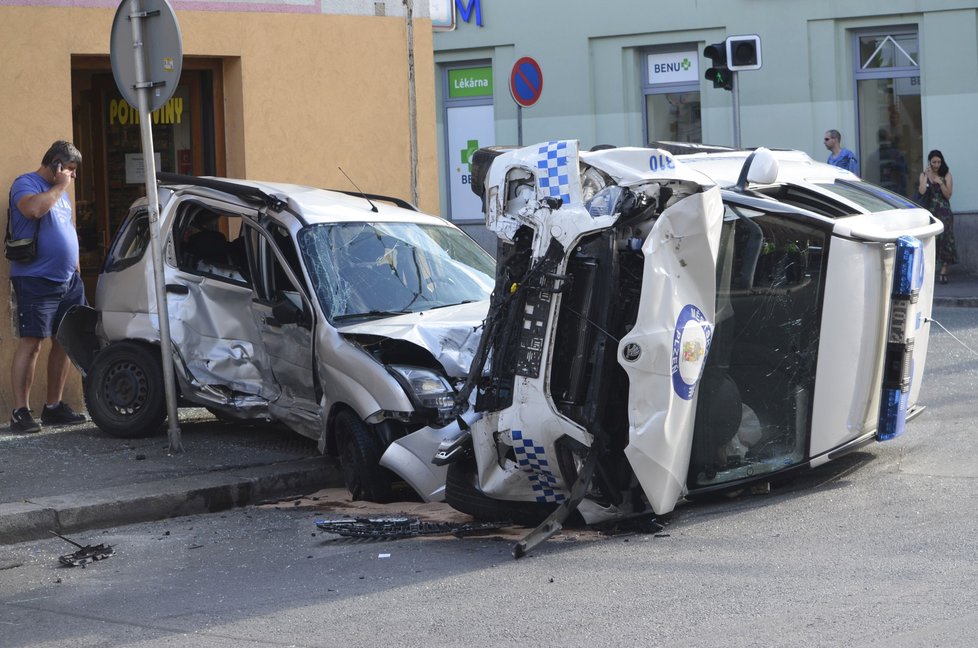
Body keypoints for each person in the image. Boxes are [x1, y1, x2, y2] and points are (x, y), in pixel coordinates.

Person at [7, 140, 88, 433]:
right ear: (55, 164)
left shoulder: (62, 193)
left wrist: (76, 269)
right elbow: (32, 211)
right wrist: (59, 187)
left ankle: (53, 406)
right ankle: (20, 411)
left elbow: (67, 229)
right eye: (70, 169)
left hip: (68, 280)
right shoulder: (25, 183)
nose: (72, 176)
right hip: (35, 279)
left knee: (65, 341)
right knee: (32, 344)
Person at [917, 149, 958, 284]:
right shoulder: (924, 174)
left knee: (946, 240)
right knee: (933, 241)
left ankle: (943, 271)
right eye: (934, 162)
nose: (937, 164)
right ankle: (931, 271)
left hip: (944, 212)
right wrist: (926, 175)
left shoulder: (946, 175)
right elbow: (922, 191)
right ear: (930, 162)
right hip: (931, 212)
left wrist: (941, 183)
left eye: (939, 162)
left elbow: (948, 195)